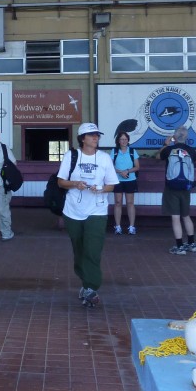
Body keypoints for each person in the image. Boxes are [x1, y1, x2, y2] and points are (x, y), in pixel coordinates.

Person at [57, 123, 118, 308]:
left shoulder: (104, 158)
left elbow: (111, 185)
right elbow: (61, 182)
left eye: (97, 135)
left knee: (92, 249)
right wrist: (76, 184)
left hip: (97, 211)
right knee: (79, 249)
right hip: (73, 210)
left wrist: (98, 188)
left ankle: (91, 288)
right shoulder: (72, 156)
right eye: (91, 135)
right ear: (82, 138)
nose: (95, 138)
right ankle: (85, 281)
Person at [159, 125, 196, 255]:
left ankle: (180, 246)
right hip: (186, 188)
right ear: (186, 137)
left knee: (175, 218)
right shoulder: (192, 151)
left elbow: (158, 156)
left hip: (172, 187)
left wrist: (166, 143)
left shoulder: (169, 150)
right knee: (186, 216)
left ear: (174, 137)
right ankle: (192, 244)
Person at [111, 131, 140, 235]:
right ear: (118, 141)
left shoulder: (132, 151)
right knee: (118, 202)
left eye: (125, 139)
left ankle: (131, 226)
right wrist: (120, 172)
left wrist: (127, 171)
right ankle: (118, 226)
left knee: (130, 203)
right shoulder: (114, 151)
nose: (124, 141)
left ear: (128, 140)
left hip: (130, 180)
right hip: (117, 180)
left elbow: (137, 166)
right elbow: (110, 166)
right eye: (122, 139)